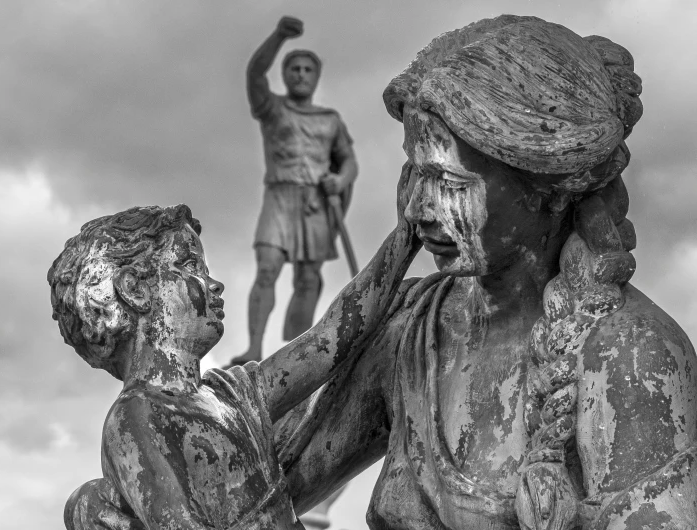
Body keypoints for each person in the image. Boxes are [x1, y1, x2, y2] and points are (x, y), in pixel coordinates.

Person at [64, 15, 697, 530]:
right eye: (412, 176)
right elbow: (254, 481)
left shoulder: (630, 356)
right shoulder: (414, 329)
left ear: (547, 187)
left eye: (448, 183)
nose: (421, 210)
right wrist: (104, 504)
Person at [49, 193, 418, 529]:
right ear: (134, 290)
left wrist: (406, 234)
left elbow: (331, 337)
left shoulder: (232, 393)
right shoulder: (135, 418)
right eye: (190, 265)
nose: (213, 284)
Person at [231, 16, 359, 365]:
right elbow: (254, 74)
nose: (301, 74)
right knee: (268, 267)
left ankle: (294, 351)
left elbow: (349, 162)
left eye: (307, 70)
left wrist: (341, 180)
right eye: (295, 69)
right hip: (280, 195)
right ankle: (254, 348)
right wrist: (278, 37)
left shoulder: (330, 119)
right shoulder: (272, 109)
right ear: (285, 75)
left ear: (316, 77)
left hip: (315, 203)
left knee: (308, 278)